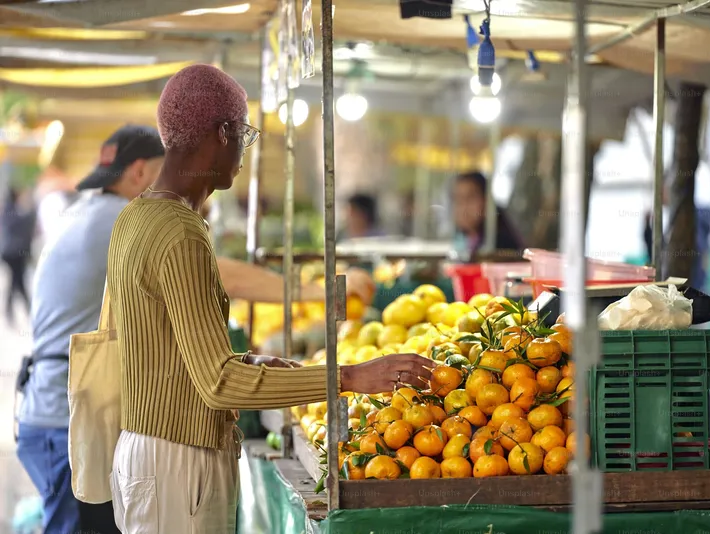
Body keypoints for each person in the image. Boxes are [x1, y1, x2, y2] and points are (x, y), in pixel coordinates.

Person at [106, 64, 429, 533]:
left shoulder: (136, 216)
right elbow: (218, 384)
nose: (244, 152)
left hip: (149, 450)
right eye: (245, 135)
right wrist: (353, 376)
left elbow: (167, 349)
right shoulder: (178, 232)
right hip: (177, 462)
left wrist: (249, 362)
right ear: (224, 132)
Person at [16, 124, 165, 534]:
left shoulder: (84, 210)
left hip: (50, 410)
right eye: (166, 172)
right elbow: (208, 272)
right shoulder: (121, 219)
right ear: (139, 172)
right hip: (63, 420)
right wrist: (305, 290)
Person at [451, 171, 524, 260]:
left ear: (487, 202)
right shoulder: (460, 242)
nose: (463, 206)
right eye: (457, 199)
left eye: (470, 197)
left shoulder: (501, 245)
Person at [1, 187, 37, 325]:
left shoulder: (8, 211)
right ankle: (26, 311)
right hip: (15, 253)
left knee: (16, 282)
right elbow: (25, 222)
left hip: (11, 253)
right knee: (18, 282)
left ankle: (13, 312)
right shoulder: (11, 212)